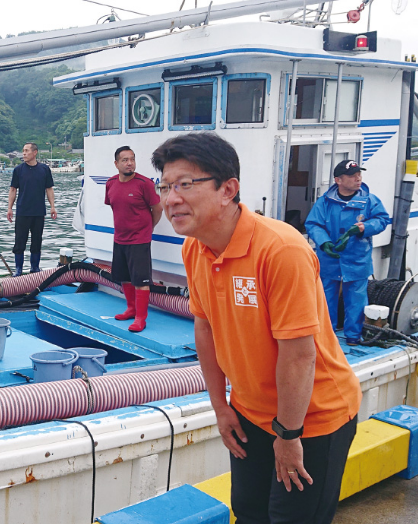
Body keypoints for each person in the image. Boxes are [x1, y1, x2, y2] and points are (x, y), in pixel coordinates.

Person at [153, 133, 361, 524]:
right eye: (164, 186)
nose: (170, 198)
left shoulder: (280, 250)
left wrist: (288, 435)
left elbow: (298, 354)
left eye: (185, 184)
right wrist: (221, 408)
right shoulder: (194, 247)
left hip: (312, 417)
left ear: (227, 189)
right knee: (249, 512)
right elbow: (206, 327)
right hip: (249, 412)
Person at [304, 159, 389, 346]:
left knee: (356, 299)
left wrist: (364, 227)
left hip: (357, 259)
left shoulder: (369, 200)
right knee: (325, 298)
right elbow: (313, 224)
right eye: (352, 176)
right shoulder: (324, 203)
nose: (358, 178)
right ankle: (326, 336)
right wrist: (324, 242)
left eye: (359, 174)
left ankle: (353, 336)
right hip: (329, 259)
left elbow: (382, 219)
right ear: (338, 180)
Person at [104, 146, 162, 332]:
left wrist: (148, 228)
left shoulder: (144, 183)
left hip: (139, 239)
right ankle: (130, 309)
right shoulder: (111, 183)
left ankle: (140, 318)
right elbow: (115, 207)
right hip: (120, 238)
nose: (129, 163)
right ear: (116, 164)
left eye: (132, 159)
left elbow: (158, 208)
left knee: (140, 280)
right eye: (125, 160)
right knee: (125, 278)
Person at [7, 142, 57, 276]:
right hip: (23, 211)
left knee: (37, 240)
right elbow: (13, 189)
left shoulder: (44, 169)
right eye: (23, 151)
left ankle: (35, 267)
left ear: (35, 152)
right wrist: (9, 208)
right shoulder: (18, 170)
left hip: (39, 211)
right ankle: (18, 269)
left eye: (27, 151)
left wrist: (52, 206)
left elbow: (49, 189)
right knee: (20, 241)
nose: (24, 153)